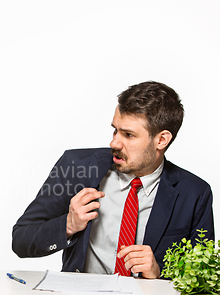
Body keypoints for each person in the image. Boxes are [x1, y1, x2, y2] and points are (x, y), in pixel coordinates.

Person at [12, 81, 214, 279]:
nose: (114, 142)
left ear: (161, 140)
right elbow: (20, 240)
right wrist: (68, 225)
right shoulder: (76, 167)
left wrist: (159, 272)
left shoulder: (195, 193)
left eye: (128, 135)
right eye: (115, 129)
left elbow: (203, 275)